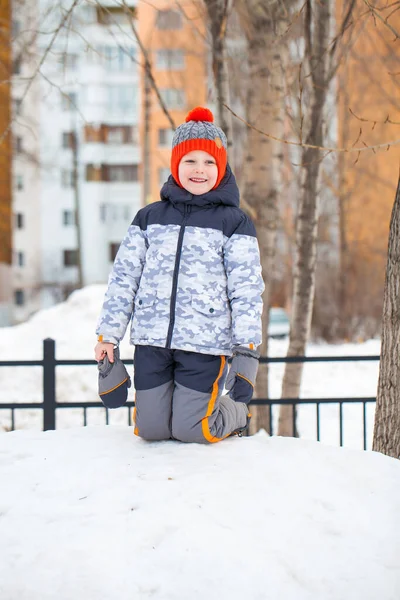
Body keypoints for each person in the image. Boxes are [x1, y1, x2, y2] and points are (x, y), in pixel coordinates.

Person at [94, 106, 264, 443]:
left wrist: (246, 350)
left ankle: (235, 413)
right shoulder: (149, 218)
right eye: (190, 161)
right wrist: (108, 337)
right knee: (150, 430)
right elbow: (123, 281)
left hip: (204, 343)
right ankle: (167, 412)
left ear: (221, 168)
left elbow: (246, 291)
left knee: (195, 430)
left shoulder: (235, 223)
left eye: (209, 162)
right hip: (152, 342)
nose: (199, 170)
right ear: (175, 164)